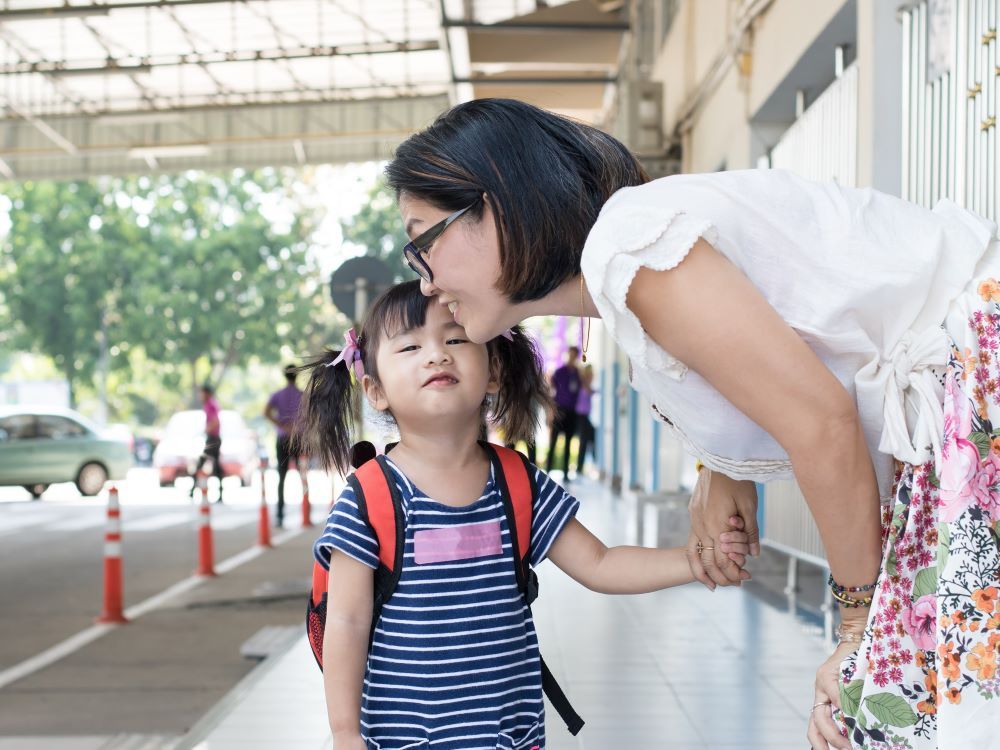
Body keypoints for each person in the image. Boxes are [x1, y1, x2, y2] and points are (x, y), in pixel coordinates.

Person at [385, 98, 1000, 749]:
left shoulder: (632, 250)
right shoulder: (627, 268)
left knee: (893, 709)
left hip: (974, 386)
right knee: (898, 715)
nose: (424, 283)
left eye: (423, 241)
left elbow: (821, 423)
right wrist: (720, 470)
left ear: (501, 203)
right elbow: (767, 374)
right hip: (951, 421)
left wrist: (855, 631)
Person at [296, 281, 750, 750]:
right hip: (403, 740)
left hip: (510, 737)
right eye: (410, 346)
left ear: (492, 371)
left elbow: (599, 563)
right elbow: (347, 624)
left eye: (455, 339)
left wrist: (692, 561)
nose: (436, 355)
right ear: (375, 390)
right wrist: (345, 732)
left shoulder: (517, 482)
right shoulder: (369, 498)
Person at [264, 364, 303, 528]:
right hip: (299, 438)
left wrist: (281, 425)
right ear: (297, 376)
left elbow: (266, 412)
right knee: (303, 474)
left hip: (282, 439)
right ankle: (306, 510)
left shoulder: (277, 395)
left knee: (282, 476)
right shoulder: (303, 395)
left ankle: (280, 515)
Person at [545, 345, 580, 478]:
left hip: (572, 412)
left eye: (574, 355)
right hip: (560, 410)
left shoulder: (577, 374)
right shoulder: (560, 372)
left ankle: (566, 473)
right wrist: (551, 411)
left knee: (569, 442)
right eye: (570, 354)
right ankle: (548, 470)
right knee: (553, 442)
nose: (572, 357)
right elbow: (551, 389)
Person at [191, 383, 224, 503]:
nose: (200, 395)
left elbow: (215, 421)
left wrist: (205, 430)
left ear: (208, 393)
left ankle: (193, 490)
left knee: (202, 463)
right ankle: (219, 493)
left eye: (202, 392)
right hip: (213, 438)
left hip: (213, 438)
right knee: (216, 466)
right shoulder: (210, 404)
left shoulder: (211, 404)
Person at [573, 364, 596, 477]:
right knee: (584, 441)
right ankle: (580, 467)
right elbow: (590, 391)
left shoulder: (587, 385)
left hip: (585, 416)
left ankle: (588, 465)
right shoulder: (583, 384)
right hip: (580, 416)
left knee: (590, 439)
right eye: (591, 374)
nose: (592, 376)